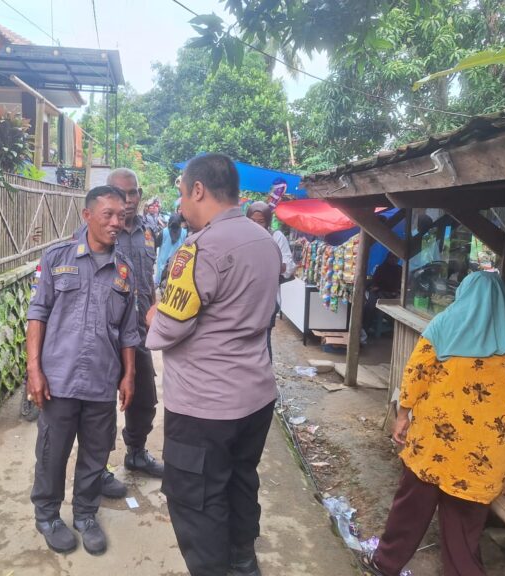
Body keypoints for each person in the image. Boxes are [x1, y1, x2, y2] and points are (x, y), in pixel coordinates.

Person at [146, 153, 282, 576]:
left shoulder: (200, 248)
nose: (181, 204)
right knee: (240, 480)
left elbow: (169, 327)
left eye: (182, 193)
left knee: (197, 499)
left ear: (199, 190)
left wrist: (153, 316)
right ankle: (243, 560)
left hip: (206, 407)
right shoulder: (265, 240)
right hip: (255, 396)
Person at [361, 272, 505, 576]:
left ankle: (385, 562)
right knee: (464, 530)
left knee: (410, 507)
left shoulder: (444, 326)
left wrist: (402, 415)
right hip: (484, 455)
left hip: (435, 443)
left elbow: (416, 374)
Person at [26, 185, 139, 556]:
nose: (116, 222)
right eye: (108, 214)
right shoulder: (57, 257)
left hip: (101, 380)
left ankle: (86, 515)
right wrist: (34, 370)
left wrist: (129, 374)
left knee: (95, 454)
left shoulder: (124, 269)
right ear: (87, 215)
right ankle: (47, 516)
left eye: (121, 215)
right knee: (52, 453)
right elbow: (37, 313)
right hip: (58, 379)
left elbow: (128, 330)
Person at [96, 168, 165, 500]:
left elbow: (147, 278)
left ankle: (136, 452)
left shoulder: (147, 230)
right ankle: (97, 468)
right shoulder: (97, 231)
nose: (129, 199)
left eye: (133, 192)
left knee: (144, 398)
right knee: (100, 405)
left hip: (138, 333)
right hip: (105, 336)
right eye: (121, 192)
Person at [246, 200, 295, 361]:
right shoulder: (242, 237)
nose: (256, 225)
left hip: (268, 299)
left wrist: (270, 263)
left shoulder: (276, 237)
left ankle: (265, 373)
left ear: (267, 221)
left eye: (260, 221)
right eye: (252, 221)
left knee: (264, 340)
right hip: (244, 299)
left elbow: (288, 267)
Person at [364, 253, 402, 334]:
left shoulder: (400, 269)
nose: (394, 259)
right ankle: (365, 328)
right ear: (388, 258)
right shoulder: (381, 268)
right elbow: (375, 283)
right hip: (380, 292)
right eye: (392, 257)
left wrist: (397, 292)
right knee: (370, 306)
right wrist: (377, 289)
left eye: (396, 258)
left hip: (394, 294)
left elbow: (402, 284)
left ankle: (393, 329)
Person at [155, 213, 186, 288]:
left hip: (162, 264)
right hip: (176, 264)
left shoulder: (164, 232)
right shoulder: (184, 233)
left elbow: (156, 245)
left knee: (160, 284)